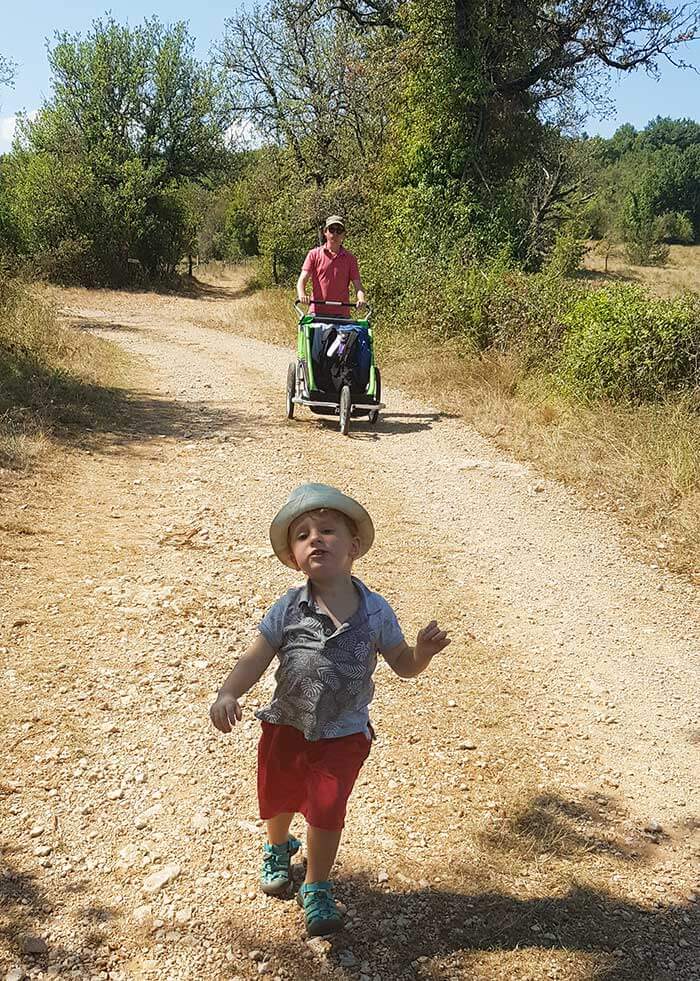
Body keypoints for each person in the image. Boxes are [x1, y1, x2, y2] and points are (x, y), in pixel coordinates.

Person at [209, 483, 450, 938]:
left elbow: (402, 665)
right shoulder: (288, 608)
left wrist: (422, 653)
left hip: (344, 734)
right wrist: (228, 693)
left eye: (327, 530)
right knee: (277, 798)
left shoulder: (376, 611)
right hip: (286, 725)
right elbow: (256, 657)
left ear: (354, 546)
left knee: (327, 809)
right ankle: (277, 847)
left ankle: (317, 886)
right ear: (293, 556)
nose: (315, 538)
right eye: (302, 535)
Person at [297, 216, 366, 319]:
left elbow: (358, 285)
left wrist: (361, 299)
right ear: (325, 232)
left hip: (342, 315)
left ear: (343, 234)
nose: (335, 234)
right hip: (317, 313)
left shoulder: (350, 259)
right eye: (332, 230)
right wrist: (302, 295)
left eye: (339, 230)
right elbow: (302, 280)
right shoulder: (314, 254)